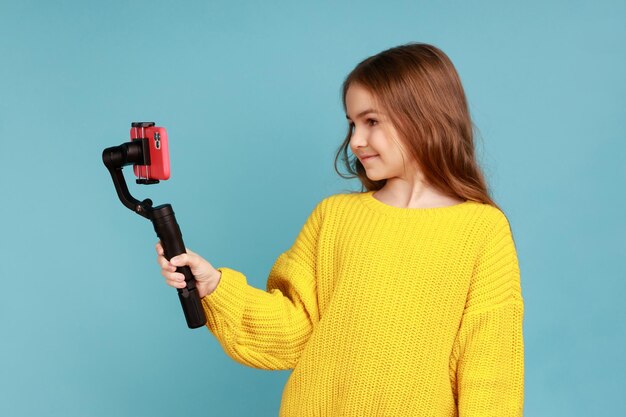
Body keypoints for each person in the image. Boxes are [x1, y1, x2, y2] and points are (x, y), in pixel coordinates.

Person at [156, 42, 524, 416]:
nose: (355, 141)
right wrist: (215, 286)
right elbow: (292, 332)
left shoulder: (481, 230)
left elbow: (491, 374)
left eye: (371, 121)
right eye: (352, 123)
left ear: (424, 117)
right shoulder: (334, 217)